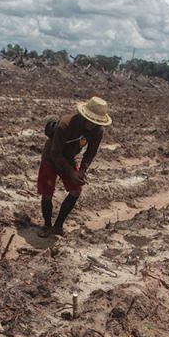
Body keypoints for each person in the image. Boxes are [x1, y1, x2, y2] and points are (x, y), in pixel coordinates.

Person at [37, 96, 112, 237]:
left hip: (69, 158)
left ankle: (58, 225)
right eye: (90, 120)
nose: (91, 124)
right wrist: (72, 173)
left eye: (95, 122)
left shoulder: (97, 132)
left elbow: (90, 154)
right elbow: (55, 153)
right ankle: (47, 225)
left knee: (76, 190)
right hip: (51, 156)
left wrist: (82, 171)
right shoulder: (65, 124)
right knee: (47, 192)